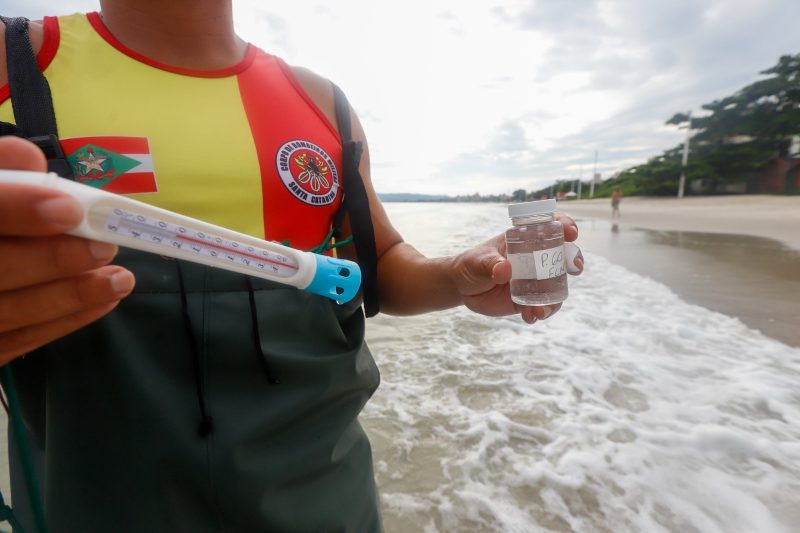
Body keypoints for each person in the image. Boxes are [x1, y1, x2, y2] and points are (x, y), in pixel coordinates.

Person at [0, 2, 584, 531]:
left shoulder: (319, 100)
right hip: (91, 499)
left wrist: (459, 275)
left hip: (321, 494)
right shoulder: (17, 59)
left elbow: (377, 263)